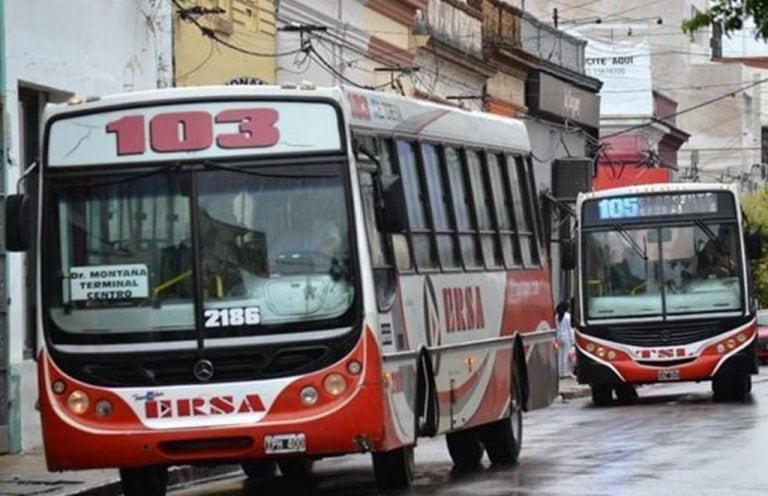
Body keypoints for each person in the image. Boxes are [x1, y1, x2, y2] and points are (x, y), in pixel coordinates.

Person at [556, 301, 575, 379]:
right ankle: (565, 372)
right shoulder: (568, 316)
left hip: (559, 337)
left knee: (560, 355)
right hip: (566, 337)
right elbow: (570, 329)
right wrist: (573, 341)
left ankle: (560, 373)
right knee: (566, 355)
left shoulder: (556, 317)